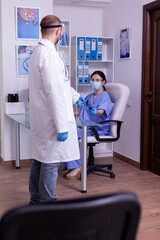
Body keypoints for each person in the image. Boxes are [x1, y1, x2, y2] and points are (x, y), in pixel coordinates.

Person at [28, 15, 85, 204]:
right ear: (59, 30)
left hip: (42, 117)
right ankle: (47, 203)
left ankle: (36, 200)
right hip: (52, 120)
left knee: (39, 159)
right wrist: (61, 125)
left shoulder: (40, 51)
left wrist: (77, 97)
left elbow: (61, 85)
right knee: (50, 162)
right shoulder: (49, 55)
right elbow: (54, 92)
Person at [62, 70, 112, 179]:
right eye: (93, 80)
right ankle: (70, 165)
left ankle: (77, 166)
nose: (95, 82)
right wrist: (70, 113)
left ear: (103, 82)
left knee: (72, 134)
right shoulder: (89, 96)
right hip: (87, 125)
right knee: (67, 131)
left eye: (97, 80)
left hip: (98, 128)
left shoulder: (105, 96)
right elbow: (81, 111)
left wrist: (96, 112)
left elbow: (101, 112)